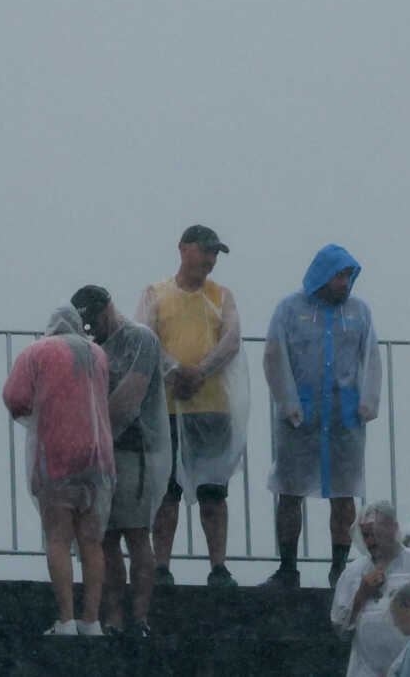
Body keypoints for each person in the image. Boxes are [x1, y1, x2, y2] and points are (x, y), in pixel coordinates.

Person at [263, 244, 380, 589]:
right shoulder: (289, 309)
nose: (344, 283)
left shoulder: (359, 313)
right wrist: (287, 402)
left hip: (344, 419)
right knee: (290, 490)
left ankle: (339, 568)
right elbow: (273, 355)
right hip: (300, 419)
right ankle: (288, 567)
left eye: (348, 276)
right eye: (338, 275)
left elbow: (371, 357)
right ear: (321, 275)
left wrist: (368, 402)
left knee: (344, 494)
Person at [135, 225, 244, 588]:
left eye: (215, 255)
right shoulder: (156, 294)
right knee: (167, 490)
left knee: (214, 490)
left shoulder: (222, 295)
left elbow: (231, 338)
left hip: (212, 407)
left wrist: (201, 371)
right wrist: (175, 371)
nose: (210, 261)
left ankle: (218, 566)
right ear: (184, 249)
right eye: (205, 252)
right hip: (166, 407)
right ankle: (161, 566)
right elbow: (146, 338)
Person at [1, 308, 115, 636]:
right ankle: (92, 620)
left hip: (57, 455)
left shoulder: (37, 352)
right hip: (99, 457)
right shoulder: (98, 354)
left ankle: (65, 620)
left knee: (58, 538)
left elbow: (14, 396)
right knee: (93, 542)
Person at [72, 285, 168, 635]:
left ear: (108, 308)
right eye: (86, 326)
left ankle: (140, 617)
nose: (93, 330)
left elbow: (130, 397)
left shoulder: (141, 339)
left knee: (136, 533)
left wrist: (95, 432)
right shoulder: (87, 344)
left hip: (131, 449)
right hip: (96, 451)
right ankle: (112, 616)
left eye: (95, 320)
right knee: (106, 536)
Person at [327, 500, 410, 677]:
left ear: (394, 528)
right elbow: (340, 629)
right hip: (364, 671)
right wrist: (361, 595)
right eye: (366, 536)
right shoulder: (353, 573)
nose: (371, 542)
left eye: (377, 534)